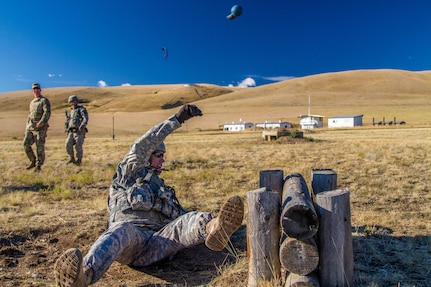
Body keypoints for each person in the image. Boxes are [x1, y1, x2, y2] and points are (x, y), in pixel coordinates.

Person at [54, 104, 244, 287]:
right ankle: (84, 277)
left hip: (159, 244)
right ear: (147, 155)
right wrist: (178, 119)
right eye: (159, 154)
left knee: (190, 219)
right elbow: (144, 143)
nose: (163, 159)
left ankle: (216, 229)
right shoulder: (128, 174)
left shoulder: (164, 189)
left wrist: (201, 223)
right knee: (120, 230)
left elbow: (181, 222)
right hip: (132, 243)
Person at [23, 83, 51, 172]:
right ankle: (33, 161)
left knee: (39, 146)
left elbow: (47, 112)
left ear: (40, 90)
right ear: (32, 91)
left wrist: (42, 122)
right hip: (31, 127)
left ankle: (39, 166)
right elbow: (30, 115)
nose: (36, 90)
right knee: (25, 144)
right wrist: (27, 126)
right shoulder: (32, 102)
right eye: (34, 89)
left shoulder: (44, 100)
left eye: (37, 88)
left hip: (41, 127)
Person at [65, 95, 89, 165]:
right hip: (71, 131)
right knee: (67, 144)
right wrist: (66, 128)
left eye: (73, 101)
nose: (72, 103)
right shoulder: (71, 111)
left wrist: (82, 125)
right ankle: (71, 158)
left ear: (76, 101)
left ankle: (79, 160)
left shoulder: (81, 109)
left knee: (78, 145)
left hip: (79, 131)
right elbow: (67, 121)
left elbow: (85, 118)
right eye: (71, 102)